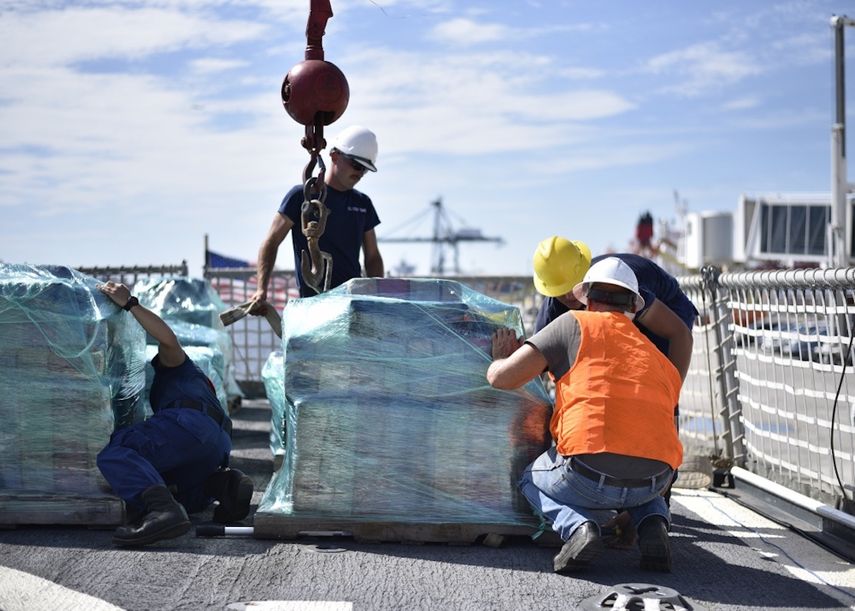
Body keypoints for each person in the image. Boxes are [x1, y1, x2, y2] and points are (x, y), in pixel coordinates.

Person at [487, 258, 683, 573]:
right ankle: (653, 522)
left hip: (587, 475)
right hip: (654, 481)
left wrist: (500, 358)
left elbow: (502, 380)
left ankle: (578, 527)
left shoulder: (572, 323)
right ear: (634, 305)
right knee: (640, 460)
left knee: (528, 478)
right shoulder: (658, 357)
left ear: (586, 297)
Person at [96, 281, 253, 547]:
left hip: (189, 425)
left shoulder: (175, 366)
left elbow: (168, 339)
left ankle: (162, 512)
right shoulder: (198, 379)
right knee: (179, 492)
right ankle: (222, 485)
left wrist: (130, 303)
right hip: (215, 445)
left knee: (117, 452)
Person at [251, 125, 385, 307]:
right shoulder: (300, 197)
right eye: (356, 165)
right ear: (334, 156)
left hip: (351, 305)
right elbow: (271, 241)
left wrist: (379, 294)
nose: (360, 173)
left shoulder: (363, 204)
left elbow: (372, 256)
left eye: (365, 169)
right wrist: (261, 289)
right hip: (313, 305)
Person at [532, 236, 696, 381]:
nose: (569, 295)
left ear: (585, 273)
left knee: (652, 380)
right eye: (561, 291)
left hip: (669, 307)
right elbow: (533, 374)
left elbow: (680, 335)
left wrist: (671, 402)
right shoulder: (551, 312)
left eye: (573, 285)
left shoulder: (616, 288)